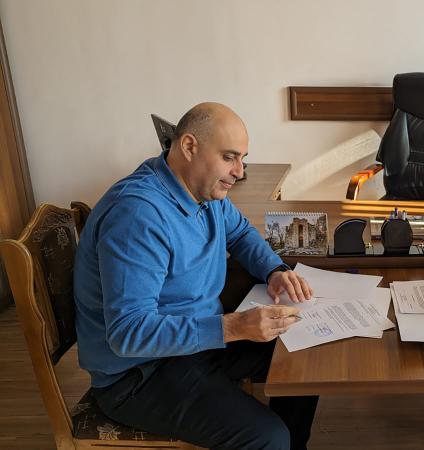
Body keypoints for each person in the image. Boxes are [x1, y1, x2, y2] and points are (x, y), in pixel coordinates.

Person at [74, 102, 318, 450]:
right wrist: (234, 327)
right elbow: (128, 334)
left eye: (242, 159)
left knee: (301, 351)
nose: (239, 172)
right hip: (140, 374)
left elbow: (240, 233)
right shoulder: (137, 217)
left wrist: (274, 270)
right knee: (268, 438)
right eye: (229, 157)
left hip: (198, 342)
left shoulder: (204, 189)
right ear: (189, 146)